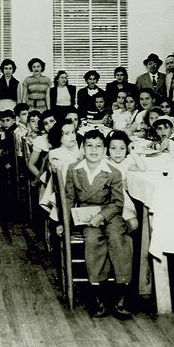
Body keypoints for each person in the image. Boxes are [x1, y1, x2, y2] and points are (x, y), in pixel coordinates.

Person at [64, 129, 133, 319]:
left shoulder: (113, 172)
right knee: (93, 239)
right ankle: (97, 291)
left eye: (99, 146)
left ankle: (122, 290)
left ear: (104, 150)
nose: (94, 150)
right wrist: (65, 223)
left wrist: (102, 216)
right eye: (89, 146)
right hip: (85, 216)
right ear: (82, 147)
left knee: (118, 237)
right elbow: (69, 199)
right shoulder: (73, 169)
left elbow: (118, 203)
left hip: (110, 213)